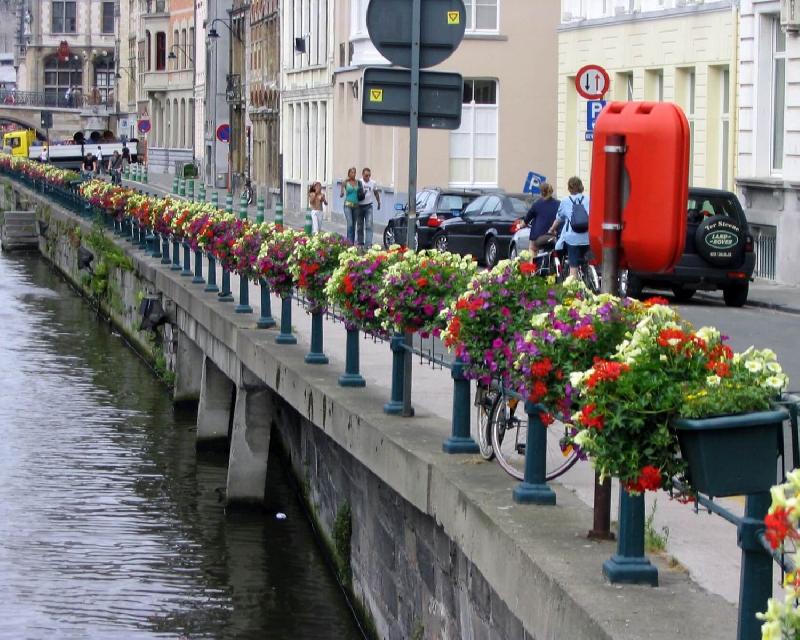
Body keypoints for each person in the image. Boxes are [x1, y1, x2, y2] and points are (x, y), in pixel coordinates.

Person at [547, 176, 590, 278]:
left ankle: (573, 288)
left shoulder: (565, 201)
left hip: (572, 238)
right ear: (581, 186)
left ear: (569, 188)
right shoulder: (589, 199)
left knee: (573, 265)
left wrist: (552, 229)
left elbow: (559, 218)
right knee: (588, 260)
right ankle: (590, 278)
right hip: (587, 237)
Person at [524, 182, 559, 256]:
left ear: (541, 192)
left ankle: (533, 266)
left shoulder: (537, 204)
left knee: (532, 248)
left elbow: (527, 219)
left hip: (540, 237)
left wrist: (522, 225)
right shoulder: (559, 204)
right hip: (555, 236)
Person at [357, 167, 381, 248]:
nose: (368, 177)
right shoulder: (359, 182)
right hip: (359, 206)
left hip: (368, 206)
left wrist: (378, 202)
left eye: (369, 176)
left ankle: (368, 243)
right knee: (360, 225)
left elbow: (376, 193)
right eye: (366, 175)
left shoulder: (373, 183)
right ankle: (360, 242)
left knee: (369, 225)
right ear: (363, 174)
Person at [339, 167, 360, 244]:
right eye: (352, 172)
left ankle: (352, 243)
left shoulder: (358, 182)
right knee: (350, 224)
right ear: (349, 174)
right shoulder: (345, 182)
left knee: (354, 225)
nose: (353, 174)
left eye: (354, 172)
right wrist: (342, 191)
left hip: (356, 206)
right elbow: (341, 194)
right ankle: (348, 242)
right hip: (347, 205)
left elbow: (361, 192)